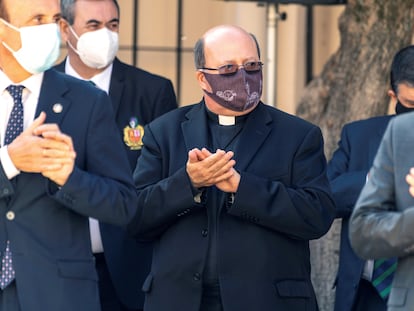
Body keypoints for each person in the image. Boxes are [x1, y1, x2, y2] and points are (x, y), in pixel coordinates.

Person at [128, 24, 335, 311]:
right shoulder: (164, 132)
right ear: (202, 78)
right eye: (228, 70)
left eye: (251, 66)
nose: (243, 77)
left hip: (267, 301)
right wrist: (188, 183)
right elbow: (135, 217)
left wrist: (242, 188)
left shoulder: (298, 135)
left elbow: (317, 215)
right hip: (180, 300)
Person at [0, 0, 137, 310]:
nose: (51, 30)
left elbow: (124, 205)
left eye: (55, 18)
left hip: (59, 295)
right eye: (37, 19)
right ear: (2, 30)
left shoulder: (88, 101)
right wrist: (8, 161)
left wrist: (68, 178)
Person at [55, 1, 178, 310]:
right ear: (64, 29)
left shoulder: (152, 91)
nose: (106, 34)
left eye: (113, 25)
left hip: (128, 269)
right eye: (94, 25)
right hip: (54, 268)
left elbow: (169, 183)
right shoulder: (39, 88)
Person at [328, 45, 414, 311]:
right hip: (362, 292)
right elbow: (323, 196)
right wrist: (375, 179)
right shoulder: (359, 136)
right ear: (393, 95)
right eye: (410, 104)